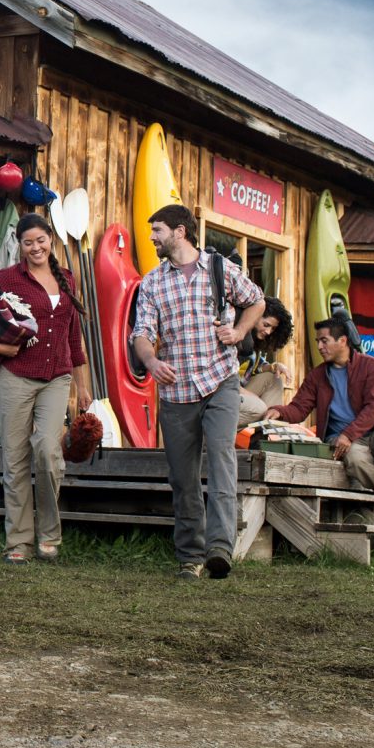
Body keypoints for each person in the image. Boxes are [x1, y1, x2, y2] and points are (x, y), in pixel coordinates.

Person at [130, 204, 266, 581]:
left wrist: (239, 333)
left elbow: (257, 300)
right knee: (183, 476)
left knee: (222, 457)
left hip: (220, 380)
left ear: (179, 232)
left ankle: (220, 549)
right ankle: (191, 555)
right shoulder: (153, 282)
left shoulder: (220, 268)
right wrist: (152, 362)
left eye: (157, 230)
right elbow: (141, 334)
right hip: (176, 391)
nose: (153, 236)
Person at [0, 213, 89, 564]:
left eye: (40, 240)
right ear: (20, 245)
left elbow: (73, 337)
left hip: (57, 379)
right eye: (28, 242)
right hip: (16, 378)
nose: (35, 247)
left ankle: (49, 535)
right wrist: (0, 348)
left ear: (51, 239)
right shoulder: (7, 278)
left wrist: (81, 387)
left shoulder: (67, 279)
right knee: (15, 461)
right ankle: (18, 542)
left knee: (48, 451)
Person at [263, 319, 374, 528]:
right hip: (341, 440)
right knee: (355, 460)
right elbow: (299, 408)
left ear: (343, 340)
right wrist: (280, 411)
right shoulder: (317, 376)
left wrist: (349, 434)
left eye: (324, 341)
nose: (320, 347)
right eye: (317, 341)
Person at [236, 297, 292, 427]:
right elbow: (225, 380)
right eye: (266, 325)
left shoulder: (254, 344)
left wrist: (273, 367)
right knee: (259, 407)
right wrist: (255, 399)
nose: (268, 332)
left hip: (238, 392)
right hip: (222, 393)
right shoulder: (236, 335)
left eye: (272, 329)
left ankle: (266, 436)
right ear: (254, 316)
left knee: (274, 378)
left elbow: (255, 367)